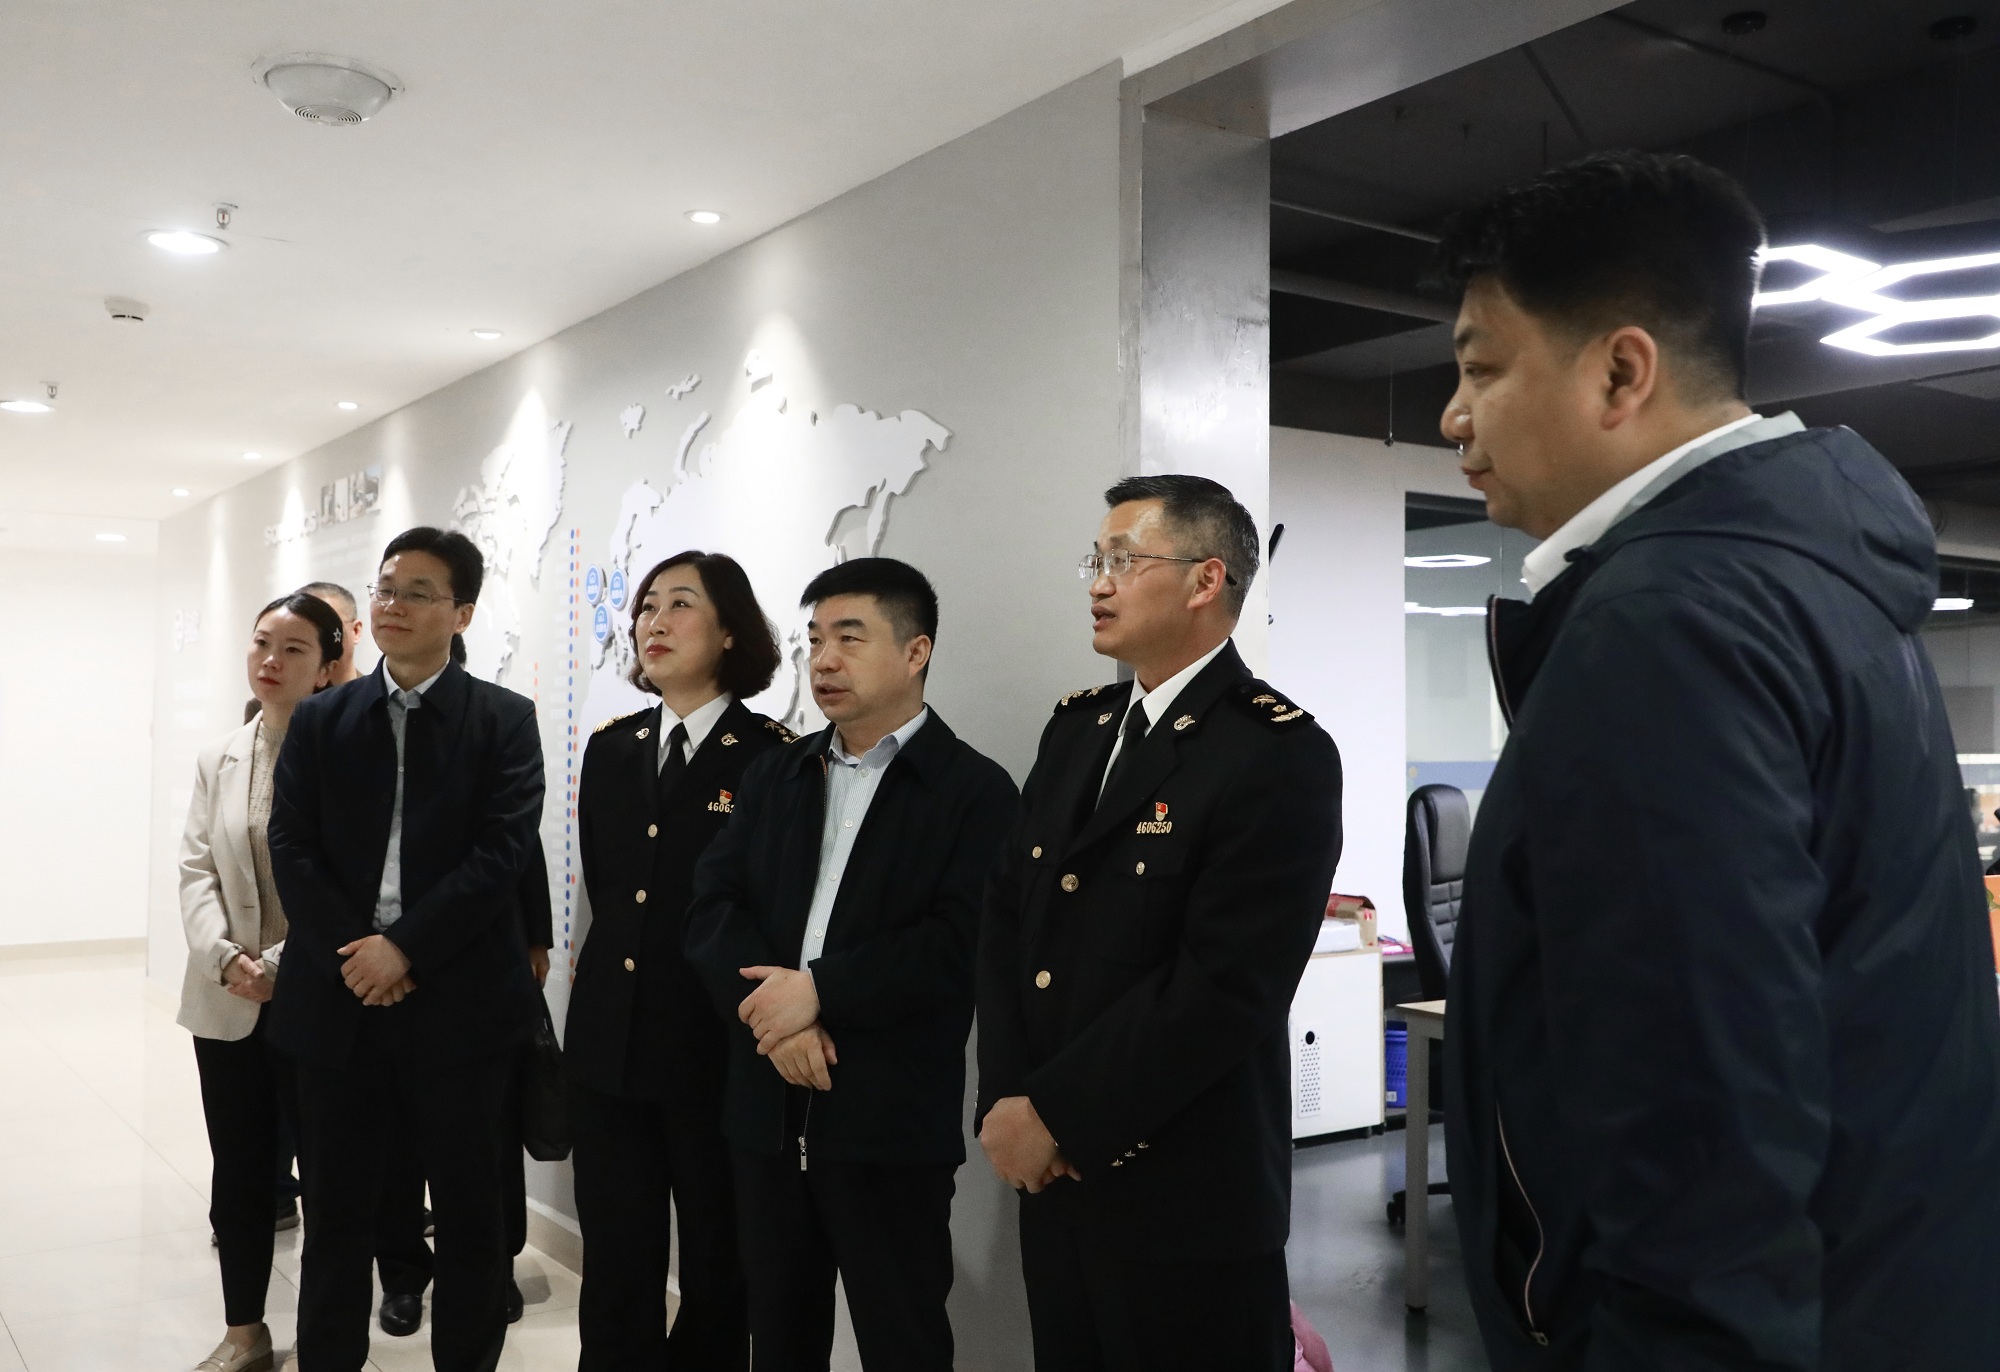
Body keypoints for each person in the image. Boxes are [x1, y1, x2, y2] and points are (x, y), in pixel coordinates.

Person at [1430, 150, 2000, 1369]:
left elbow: (1698, 1123)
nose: (1452, 415)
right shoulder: (1811, 579)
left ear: (1618, 371)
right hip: (1882, 1303)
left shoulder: (1666, 624)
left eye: (1480, 366)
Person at [975, 475, 1343, 1371]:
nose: (1098, 582)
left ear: (1206, 579)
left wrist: (1058, 1112)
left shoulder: (1275, 752)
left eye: (1123, 560)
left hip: (1185, 1195)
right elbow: (1009, 922)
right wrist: (1010, 1103)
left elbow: (1225, 986)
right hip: (1054, 1178)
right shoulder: (1079, 730)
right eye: (1094, 561)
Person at [685, 557, 1017, 1372]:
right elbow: (713, 907)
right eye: (814, 640)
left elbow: (958, 943)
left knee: (903, 1341)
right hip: (766, 1119)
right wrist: (778, 1022)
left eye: (849, 638)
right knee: (779, 1337)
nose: (823, 660)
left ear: (915, 651)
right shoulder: (778, 772)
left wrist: (819, 993)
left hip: (887, 1128)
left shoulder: (973, 791)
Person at [268, 527, 546, 1372]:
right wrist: (360, 955)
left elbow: (501, 853)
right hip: (338, 1003)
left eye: (417, 592)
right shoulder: (323, 718)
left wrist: (406, 952)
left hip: (460, 1010)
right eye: (385, 588)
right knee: (336, 1219)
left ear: (462, 613)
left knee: (470, 1219)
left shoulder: (503, 720)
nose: (391, 604)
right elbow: (292, 846)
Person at [565, 551, 791, 1370]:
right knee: (615, 1263)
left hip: (712, 1052)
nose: (653, 622)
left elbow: (769, 913)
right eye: (647, 606)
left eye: (680, 605)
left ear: (730, 631)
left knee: (717, 1266)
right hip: (610, 1048)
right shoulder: (612, 748)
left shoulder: (772, 756)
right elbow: (611, 894)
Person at [178, 591, 346, 1372]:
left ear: (327, 668)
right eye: (261, 644)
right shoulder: (219, 756)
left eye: (293, 649)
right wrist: (223, 957)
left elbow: (351, 884)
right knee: (240, 1173)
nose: (270, 661)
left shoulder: (348, 757)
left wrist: (280, 965)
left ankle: (328, 1341)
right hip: (227, 999)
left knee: (333, 1178)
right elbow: (196, 868)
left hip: (318, 998)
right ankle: (245, 1332)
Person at [373, 633, 554, 1340]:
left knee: (488, 1137)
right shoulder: (368, 730)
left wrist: (535, 937)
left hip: (480, 963)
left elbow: (517, 847)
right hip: (384, 969)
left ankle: (491, 1264)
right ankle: (402, 1275)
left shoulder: (494, 722)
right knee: (396, 1141)